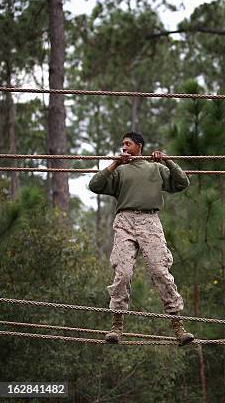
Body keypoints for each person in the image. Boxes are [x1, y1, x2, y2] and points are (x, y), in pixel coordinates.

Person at [88, 132, 195, 346]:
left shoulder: (155, 168)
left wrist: (166, 160)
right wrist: (114, 164)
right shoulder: (120, 171)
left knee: (159, 270)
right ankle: (117, 326)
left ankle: (178, 325)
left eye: (128, 144)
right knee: (123, 272)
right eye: (122, 144)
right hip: (125, 221)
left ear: (139, 146)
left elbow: (182, 182)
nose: (124, 148)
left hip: (149, 220)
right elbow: (95, 185)